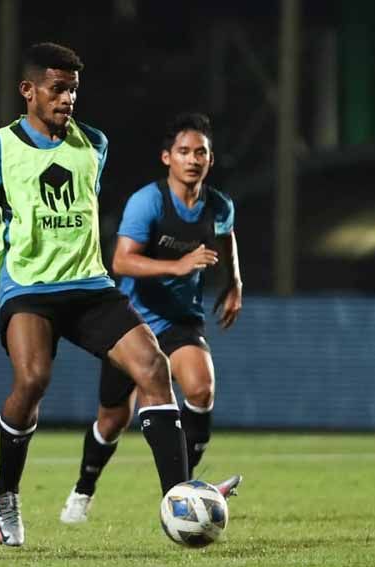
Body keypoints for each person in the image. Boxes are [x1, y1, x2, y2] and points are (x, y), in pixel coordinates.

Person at [0, 43, 193, 547]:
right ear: (28, 92)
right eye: (57, 88)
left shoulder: (94, 143)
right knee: (33, 379)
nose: (67, 98)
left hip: (91, 287)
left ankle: (180, 499)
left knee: (154, 367)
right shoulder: (0, 148)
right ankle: (5, 494)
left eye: (73, 89)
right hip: (29, 289)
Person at [59, 113, 243, 524]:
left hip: (181, 322)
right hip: (134, 326)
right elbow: (121, 261)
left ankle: (185, 491)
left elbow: (228, 240)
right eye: (184, 152)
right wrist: (178, 266)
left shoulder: (219, 206)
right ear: (167, 158)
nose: (192, 159)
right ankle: (82, 492)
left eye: (201, 152)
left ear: (210, 161)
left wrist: (235, 284)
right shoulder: (148, 201)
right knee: (112, 420)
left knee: (200, 388)